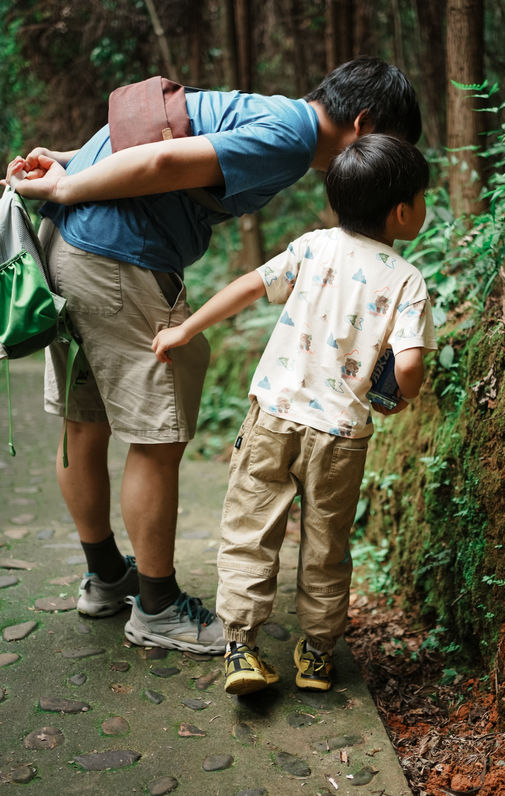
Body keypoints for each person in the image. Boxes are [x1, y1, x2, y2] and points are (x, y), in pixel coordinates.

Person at [4, 59, 422, 655]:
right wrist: (63, 182)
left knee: (85, 424)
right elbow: (164, 161)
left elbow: (151, 136)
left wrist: (71, 164)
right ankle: (157, 607)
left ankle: (106, 577)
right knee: (156, 439)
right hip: (118, 259)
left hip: (69, 245)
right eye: (391, 147)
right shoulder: (291, 139)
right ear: (363, 124)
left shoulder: (270, 109)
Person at [151, 134, 437, 693]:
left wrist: (186, 327)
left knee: (249, 530)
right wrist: (407, 396)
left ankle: (240, 648)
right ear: (403, 210)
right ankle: (317, 653)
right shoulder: (407, 280)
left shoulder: (312, 247)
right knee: (326, 544)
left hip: (273, 418)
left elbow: (249, 287)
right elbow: (407, 367)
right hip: (340, 437)